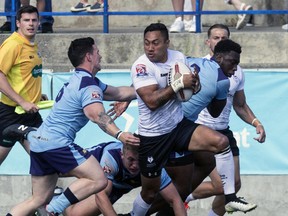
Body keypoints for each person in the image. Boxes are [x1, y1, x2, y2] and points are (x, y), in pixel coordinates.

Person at [5, 36, 140, 216]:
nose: (100, 56)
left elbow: (120, 92)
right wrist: (120, 134)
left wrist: (153, 88)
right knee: (99, 179)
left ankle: (28, 134)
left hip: (40, 142)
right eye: (97, 52)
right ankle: (55, 209)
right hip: (56, 143)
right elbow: (96, 114)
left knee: (37, 200)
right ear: (89, 56)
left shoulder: (82, 80)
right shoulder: (88, 86)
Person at [126, 22, 246, 216]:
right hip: (154, 136)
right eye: (146, 43)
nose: (150, 48)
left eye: (155, 43)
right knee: (149, 193)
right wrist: (177, 85)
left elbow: (190, 85)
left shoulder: (179, 58)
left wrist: (195, 85)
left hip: (178, 125)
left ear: (167, 42)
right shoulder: (141, 65)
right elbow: (151, 102)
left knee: (220, 144)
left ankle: (230, 198)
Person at [184, 23, 266, 216]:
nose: (220, 41)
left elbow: (239, 105)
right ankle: (179, 197)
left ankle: (183, 197)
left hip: (223, 130)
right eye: (216, 38)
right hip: (202, 130)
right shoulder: (197, 66)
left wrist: (256, 122)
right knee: (222, 185)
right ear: (208, 42)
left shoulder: (236, 70)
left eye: (224, 38)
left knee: (234, 184)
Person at [0, 5, 48, 166]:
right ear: (18, 23)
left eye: (34, 20)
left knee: (46, 156)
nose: (31, 24)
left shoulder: (31, 45)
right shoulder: (13, 44)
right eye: (26, 20)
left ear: (39, 22)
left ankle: (46, 191)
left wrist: (35, 95)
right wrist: (22, 101)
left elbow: (26, 75)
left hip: (31, 113)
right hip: (11, 113)